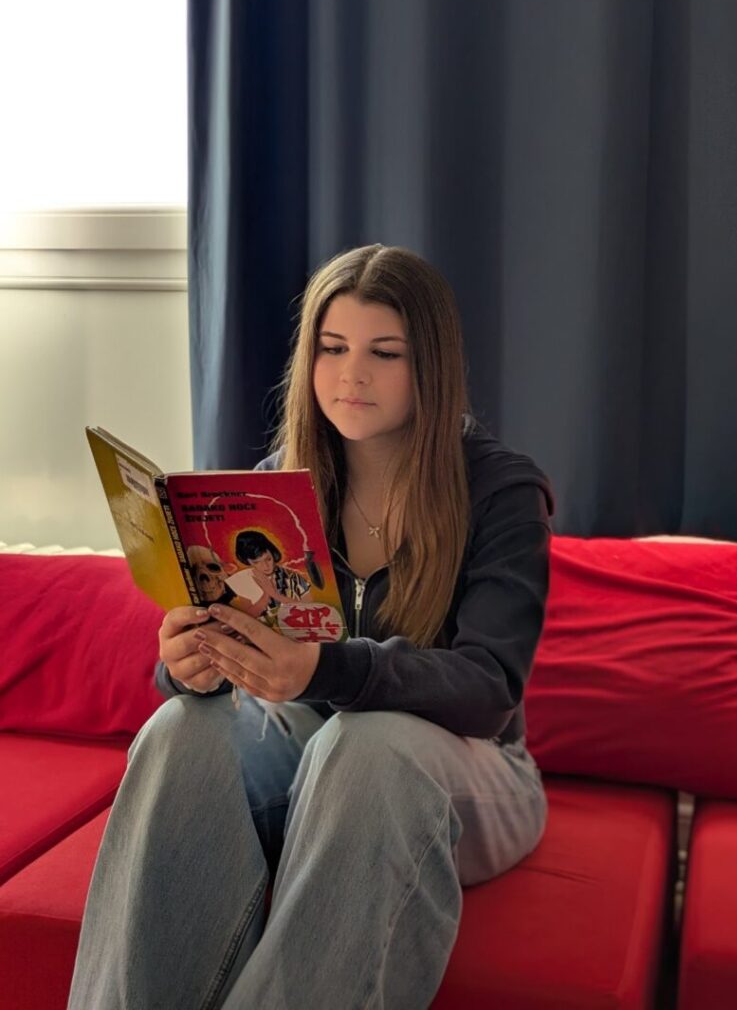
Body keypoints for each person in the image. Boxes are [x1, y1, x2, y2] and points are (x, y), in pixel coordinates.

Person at [67, 244, 555, 1010]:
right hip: (309, 749)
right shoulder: (273, 492)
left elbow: (488, 689)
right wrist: (190, 662)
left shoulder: (499, 491)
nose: (350, 374)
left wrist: (326, 670)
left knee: (367, 744)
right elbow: (235, 645)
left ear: (430, 364)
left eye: (383, 353)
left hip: (466, 770)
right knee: (178, 730)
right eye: (331, 348)